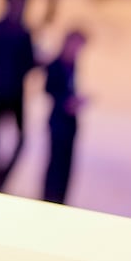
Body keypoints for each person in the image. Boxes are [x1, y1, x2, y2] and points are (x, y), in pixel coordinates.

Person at [0, 0, 38, 191]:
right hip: (14, 91)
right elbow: (30, 62)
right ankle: (0, 177)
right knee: (18, 137)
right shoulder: (23, 33)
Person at [43, 29, 89, 205]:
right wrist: (66, 102)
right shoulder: (56, 65)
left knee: (66, 165)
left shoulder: (72, 65)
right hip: (58, 122)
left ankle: (61, 200)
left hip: (69, 122)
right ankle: (50, 200)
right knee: (56, 164)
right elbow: (50, 90)